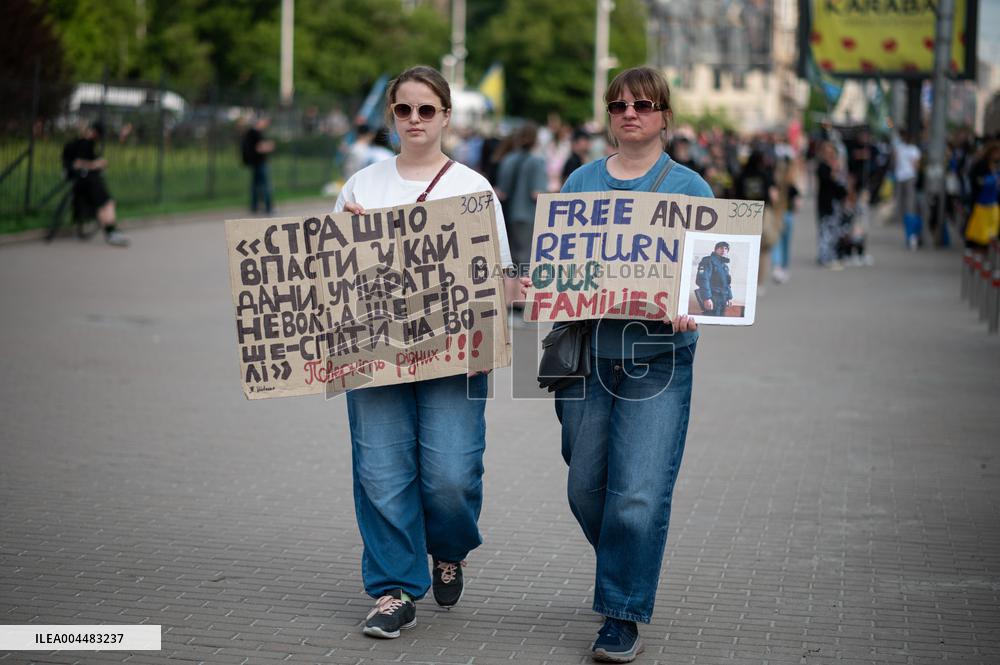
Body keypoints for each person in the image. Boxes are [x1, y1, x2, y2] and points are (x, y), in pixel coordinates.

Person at [333, 65, 530, 640]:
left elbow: (500, 272)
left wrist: (522, 293)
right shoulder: (360, 187)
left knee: (450, 476)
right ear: (390, 115)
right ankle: (393, 589)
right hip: (374, 351)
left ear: (446, 116)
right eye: (404, 110)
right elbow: (328, 279)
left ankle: (449, 547)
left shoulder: (473, 188)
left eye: (426, 110)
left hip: (454, 355)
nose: (415, 120)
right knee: (380, 473)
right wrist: (348, 241)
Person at [554, 66, 707, 663]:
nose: (630, 113)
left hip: (657, 361)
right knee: (585, 488)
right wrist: (531, 288)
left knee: (637, 497)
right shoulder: (580, 182)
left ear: (665, 115)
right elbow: (558, 270)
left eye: (643, 104)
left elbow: (712, 285)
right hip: (586, 356)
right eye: (618, 105)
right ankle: (626, 564)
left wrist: (695, 309)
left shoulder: (690, 189)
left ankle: (620, 612)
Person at [60, 121, 129, 247]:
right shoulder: (82, 144)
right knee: (107, 203)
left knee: (105, 204)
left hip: (85, 181)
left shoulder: (83, 143)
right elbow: (76, 163)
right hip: (86, 181)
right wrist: (96, 164)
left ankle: (111, 232)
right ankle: (111, 233)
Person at [496, 122, 548, 274]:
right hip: (529, 215)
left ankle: (509, 297)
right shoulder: (537, 161)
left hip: (509, 215)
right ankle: (521, 297)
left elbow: (502, 192)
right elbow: (536, 194)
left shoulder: (508, 160)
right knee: (526, 262)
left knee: (511, 262)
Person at [816, 141, 848, 269]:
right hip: (826, 203)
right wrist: (834, 171)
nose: (830, 155)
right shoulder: (823, 167)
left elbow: (840, 186)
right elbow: (829, 182)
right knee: (825, 230)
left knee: (834, 230)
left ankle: (832, 254)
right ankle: (824, 256)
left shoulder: (836, 167)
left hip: (836, 203)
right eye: (827, 153)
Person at [893, 130, 922, 249]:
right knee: (910, 205)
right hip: (910, 176)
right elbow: (916, 165)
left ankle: (907, 226)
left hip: (900, 176)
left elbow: (895, 159)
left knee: (902, 203)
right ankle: (912, 234)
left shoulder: (899, 148)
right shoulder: (914, 149)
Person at [242, 115, 275, 215]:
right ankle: (268, 206)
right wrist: (269, 146)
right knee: (265, 185)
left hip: (255, 162)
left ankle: (255, 206)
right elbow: (259, 148)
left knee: (256, 185)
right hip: (259, 162)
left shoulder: (252, 133)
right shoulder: (255, 133)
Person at [695, 241, 733, 316]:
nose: (723, 250)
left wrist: (729, 297)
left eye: (726, 249)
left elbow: (727, 284)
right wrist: (707, 298)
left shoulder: (725, 266)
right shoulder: (707, 261)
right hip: (712, 297)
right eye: (721, 248)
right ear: (715, 249)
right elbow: (702, 279)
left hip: (723, 298)